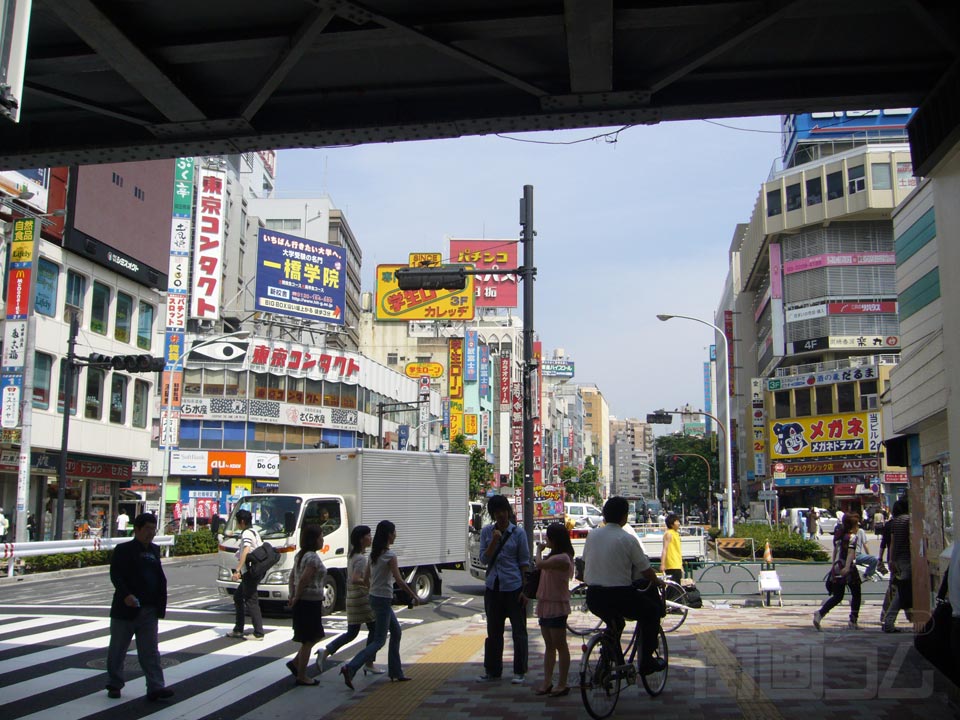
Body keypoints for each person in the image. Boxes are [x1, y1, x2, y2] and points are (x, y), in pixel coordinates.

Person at [582, 496, 666, 676]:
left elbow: (586, 559)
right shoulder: (627, 538)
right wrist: (657, 581)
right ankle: (646, 661)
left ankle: (611, 659)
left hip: (594, 596)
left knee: (615, 623)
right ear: (624, 516)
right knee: (651, 612)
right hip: (620, 595)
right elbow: (645, 569)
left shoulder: (592, 535)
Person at [340, 520, 420, 688]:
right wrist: (413, 595)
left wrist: (374, 588)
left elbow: (366, 579)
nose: (396, 535)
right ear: (389, 535)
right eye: (394, 532)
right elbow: (399, 580)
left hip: (375, 597)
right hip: (383, 599)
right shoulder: (390, 556)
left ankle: (396, 672)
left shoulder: (373, 555)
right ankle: (351, 667)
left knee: (396, 632)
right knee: (379, 640)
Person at [105, 513, 173, 701]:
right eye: (147, 529)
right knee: (118, 649)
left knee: (150, 651)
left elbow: (159, 578)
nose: (151, 533)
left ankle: (155, 687)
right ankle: (114, 683)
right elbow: (116, 575)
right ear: (137, 529)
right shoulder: (123, 549)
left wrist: (160, 605)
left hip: (149, 608)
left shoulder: (154, 550)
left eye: (153, 529)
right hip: (125, 608)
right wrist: (126, 595)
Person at [475, 494, 530, 684]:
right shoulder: (487, 532)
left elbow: (524, 562)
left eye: (503, 511)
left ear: (508, 511)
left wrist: (525, 590)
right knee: (494, 632)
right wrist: (493, 542)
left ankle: (519, 671)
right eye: (497, 512)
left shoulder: (518, 533)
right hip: (493, 588)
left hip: (514, 587)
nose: (501, 515)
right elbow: (484, 559)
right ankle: (492, 671)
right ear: (492, 514)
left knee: (519, 631)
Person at [320, 525, 381, 675]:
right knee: (374, 629)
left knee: (352, 632)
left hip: (353, 597)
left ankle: (327, 651)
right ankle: (369, 662)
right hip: (361, 598)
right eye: (368, 535)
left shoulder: (353, 555)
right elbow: (355, 578)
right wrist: (369, 583)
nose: (371, 538)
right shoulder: (361, 558)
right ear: (361, 539)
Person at [533, 523, 575, 697]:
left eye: (548, 537)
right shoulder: (556, 556)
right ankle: (547, 682)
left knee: (560, 645)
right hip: (546, 603)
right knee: (550, 645)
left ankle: (562, 683)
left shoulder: (563, 558)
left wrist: (538, 550)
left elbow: (539, 564)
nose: (546, 540)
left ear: (555, 539)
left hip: (557, 604)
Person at [285, 524, 326, 685]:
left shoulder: (300, 555)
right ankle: (301, 675)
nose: (322, 540)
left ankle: (296, 663)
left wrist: (292, 595)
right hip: (309, 602)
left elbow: (292, 577)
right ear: (313, 540)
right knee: (310, 639)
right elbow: (304, 579)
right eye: (321, 537)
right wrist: (296, 597)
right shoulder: (312, 558)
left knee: (313, 636)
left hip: (305, 601)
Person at [813, 513, 862, 631]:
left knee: (838, 596)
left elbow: (835, 551)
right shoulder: (852, 537)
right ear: (853, 525)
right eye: (857, 524)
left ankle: (820, 613)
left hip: (836, 567)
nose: (858, 526)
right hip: (848, 568)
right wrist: (847, 567)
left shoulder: (838, 535)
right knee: (856, 594)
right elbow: (851, 553)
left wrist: (833, 567)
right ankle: (853, 620)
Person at [227, 509, 265, 640]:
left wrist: (237, 570)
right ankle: (238, 629)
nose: (237, 524)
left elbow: (246, 550)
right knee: (238, 596)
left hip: (250, 571)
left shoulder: (247, 533)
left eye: (237, 521)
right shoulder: (254, 531)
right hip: (254, 570)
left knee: (251, 600)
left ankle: (258, 632)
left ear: (242, 522)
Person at [882, 498, 912, 632]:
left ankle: (889, 620)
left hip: (898, 560)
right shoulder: (908, 520)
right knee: (902, 592)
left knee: (901, 589)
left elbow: (892, 542)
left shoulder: (895, 522)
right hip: (907, 559)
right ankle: (888, 622)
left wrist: (891, 560)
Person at [660, 513, 683, 584]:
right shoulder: (668, 534)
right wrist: (662, 564)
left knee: (677, 586)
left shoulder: (676, 534)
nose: (679, 523)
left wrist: (681, 565)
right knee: (672, 587)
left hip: (677, 564)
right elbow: (664, 549)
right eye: (677, 521)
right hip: (671, 565)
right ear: (671, 524)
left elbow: (678, 551)